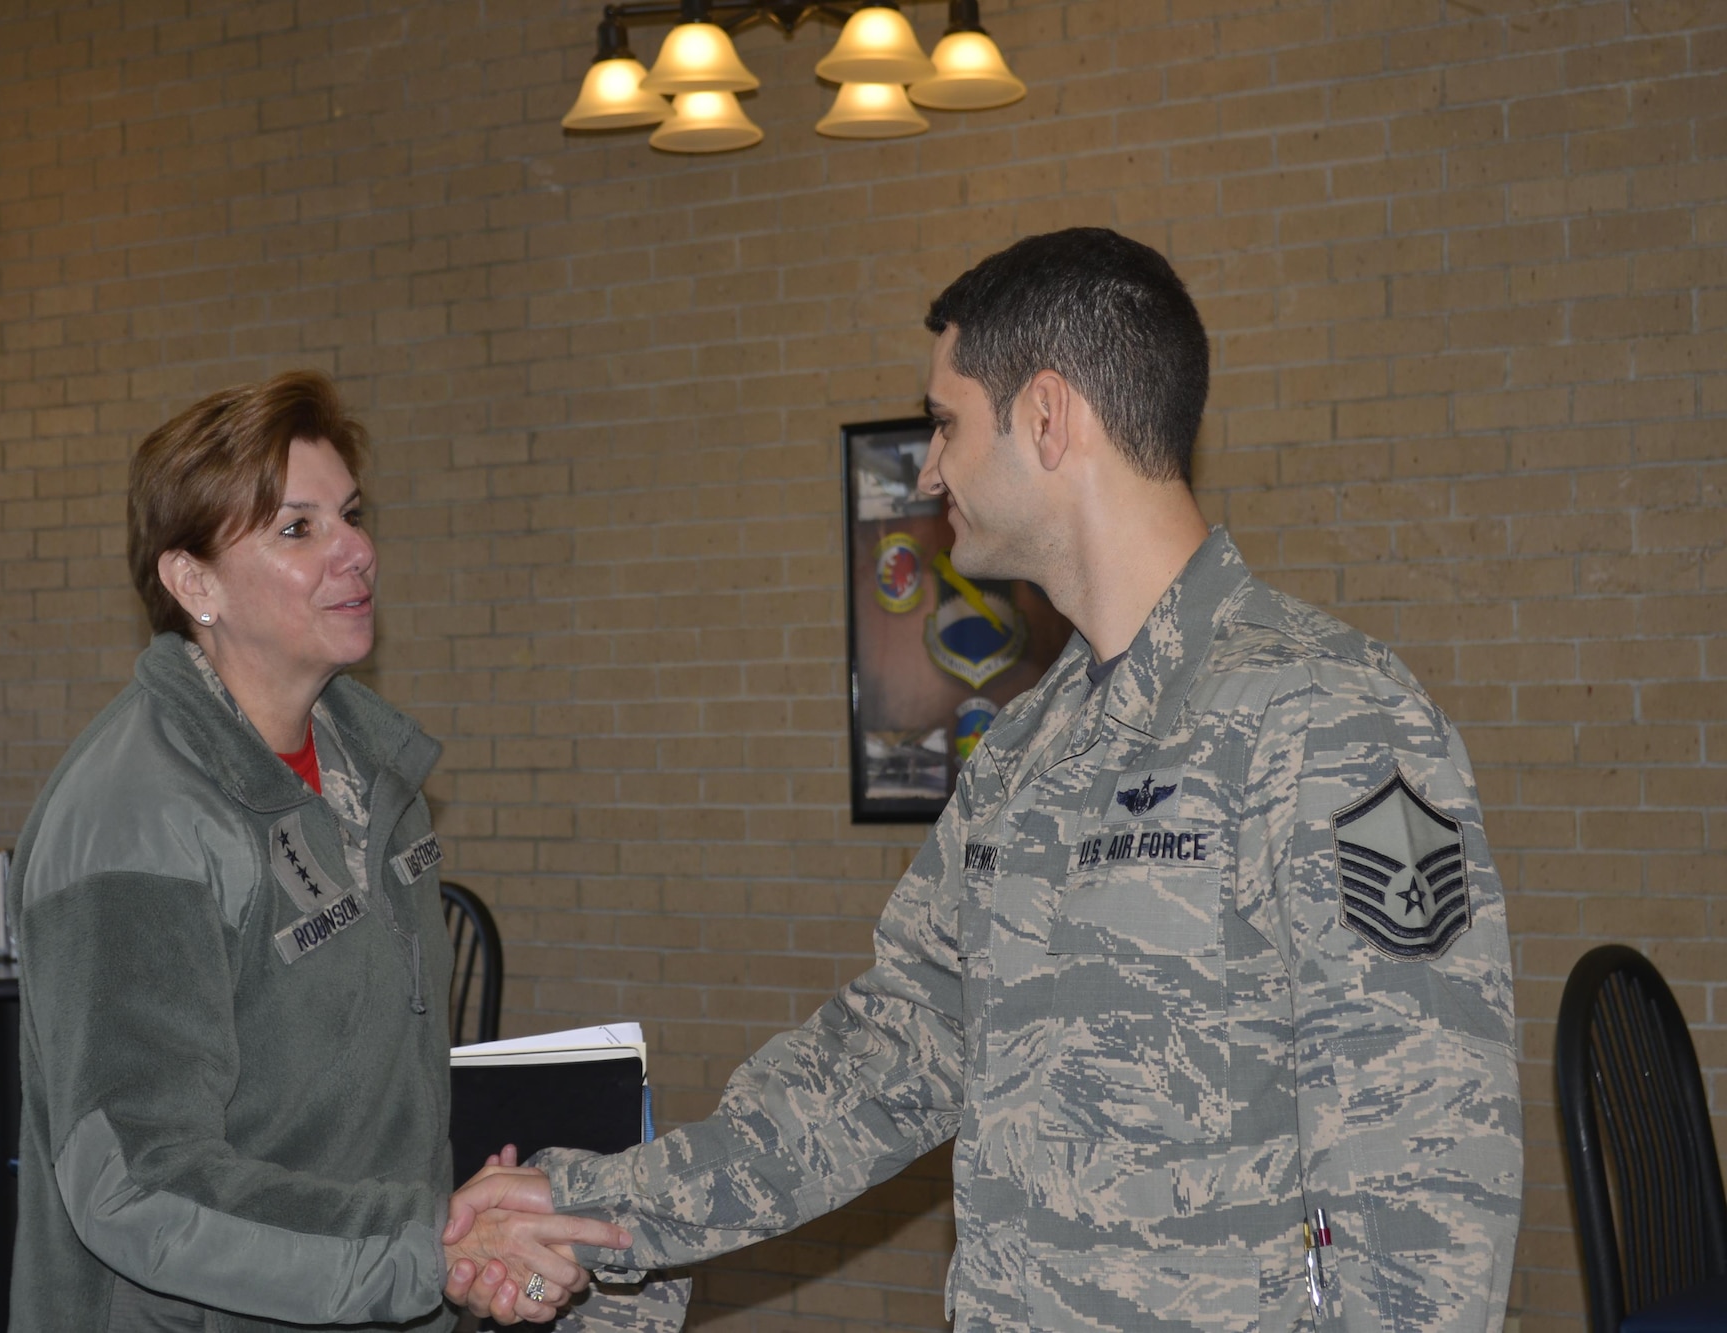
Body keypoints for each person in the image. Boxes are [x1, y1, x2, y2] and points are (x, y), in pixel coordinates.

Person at [459, 229, 1524, 1332]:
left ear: (1048, 417)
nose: (925, 469)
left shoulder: (1325, 718)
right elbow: (888, 1056)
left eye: (944, 422)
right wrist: (586, 1204)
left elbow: (1426, 1185)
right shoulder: (1024, 754)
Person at [7, 371, 627, 1332]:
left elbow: (348, 1085)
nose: (359, 550)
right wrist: (430, 1246)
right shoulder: (134, 820)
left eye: (352, 514)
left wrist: (467, 1211)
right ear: (193, 581)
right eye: (299, 529)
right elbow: (138, 1180)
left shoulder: (374, 779)